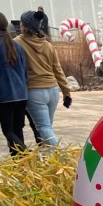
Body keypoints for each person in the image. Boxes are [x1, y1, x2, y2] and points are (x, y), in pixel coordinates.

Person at [14, 9, 72, 146]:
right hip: (53, 90)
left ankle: (62, 154)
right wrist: (66, 92)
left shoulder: (17, 43)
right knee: (48, 128)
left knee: (44, 128)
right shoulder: (48, 45)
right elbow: (58, 70)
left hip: (34, 91)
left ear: (24, 26)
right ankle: (51, 159)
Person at [0, 10, 29, 155]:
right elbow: (24, 71)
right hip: (21, 94)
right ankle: (19, 164)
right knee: (17, 131)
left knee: (8, 131)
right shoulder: (17, 45)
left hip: (5, 96)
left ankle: (27, 153)